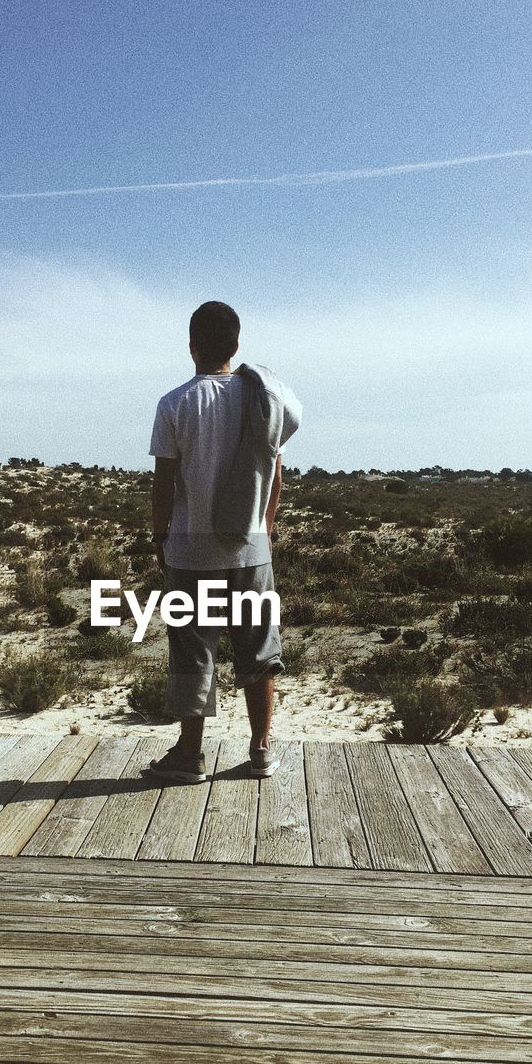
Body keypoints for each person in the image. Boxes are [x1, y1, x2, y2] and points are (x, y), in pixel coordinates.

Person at [147, 300, 302, 783]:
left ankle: (190, 753)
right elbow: (275, 474)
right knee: (258, 648)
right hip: (250, 547)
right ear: (236, 346)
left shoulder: (174, 403)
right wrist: (266, 528)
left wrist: (160, 536)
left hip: (191, 550)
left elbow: (164, 481)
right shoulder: (261, 399)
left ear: (191, 347)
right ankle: (260, 749)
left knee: (193, 650)